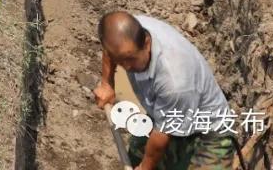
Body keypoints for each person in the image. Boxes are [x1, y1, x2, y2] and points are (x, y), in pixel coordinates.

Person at [94, 11, 236, 170]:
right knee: (137, 154)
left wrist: (144, 168)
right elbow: (111, 50)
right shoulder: (127, 35)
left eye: (131, 59)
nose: (126, 67)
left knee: (148, 160)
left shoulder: (175, 82)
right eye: (120, 60)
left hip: (208, 133)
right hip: (168, 113)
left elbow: (160, 139)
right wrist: (107, 84)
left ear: (147, 43)